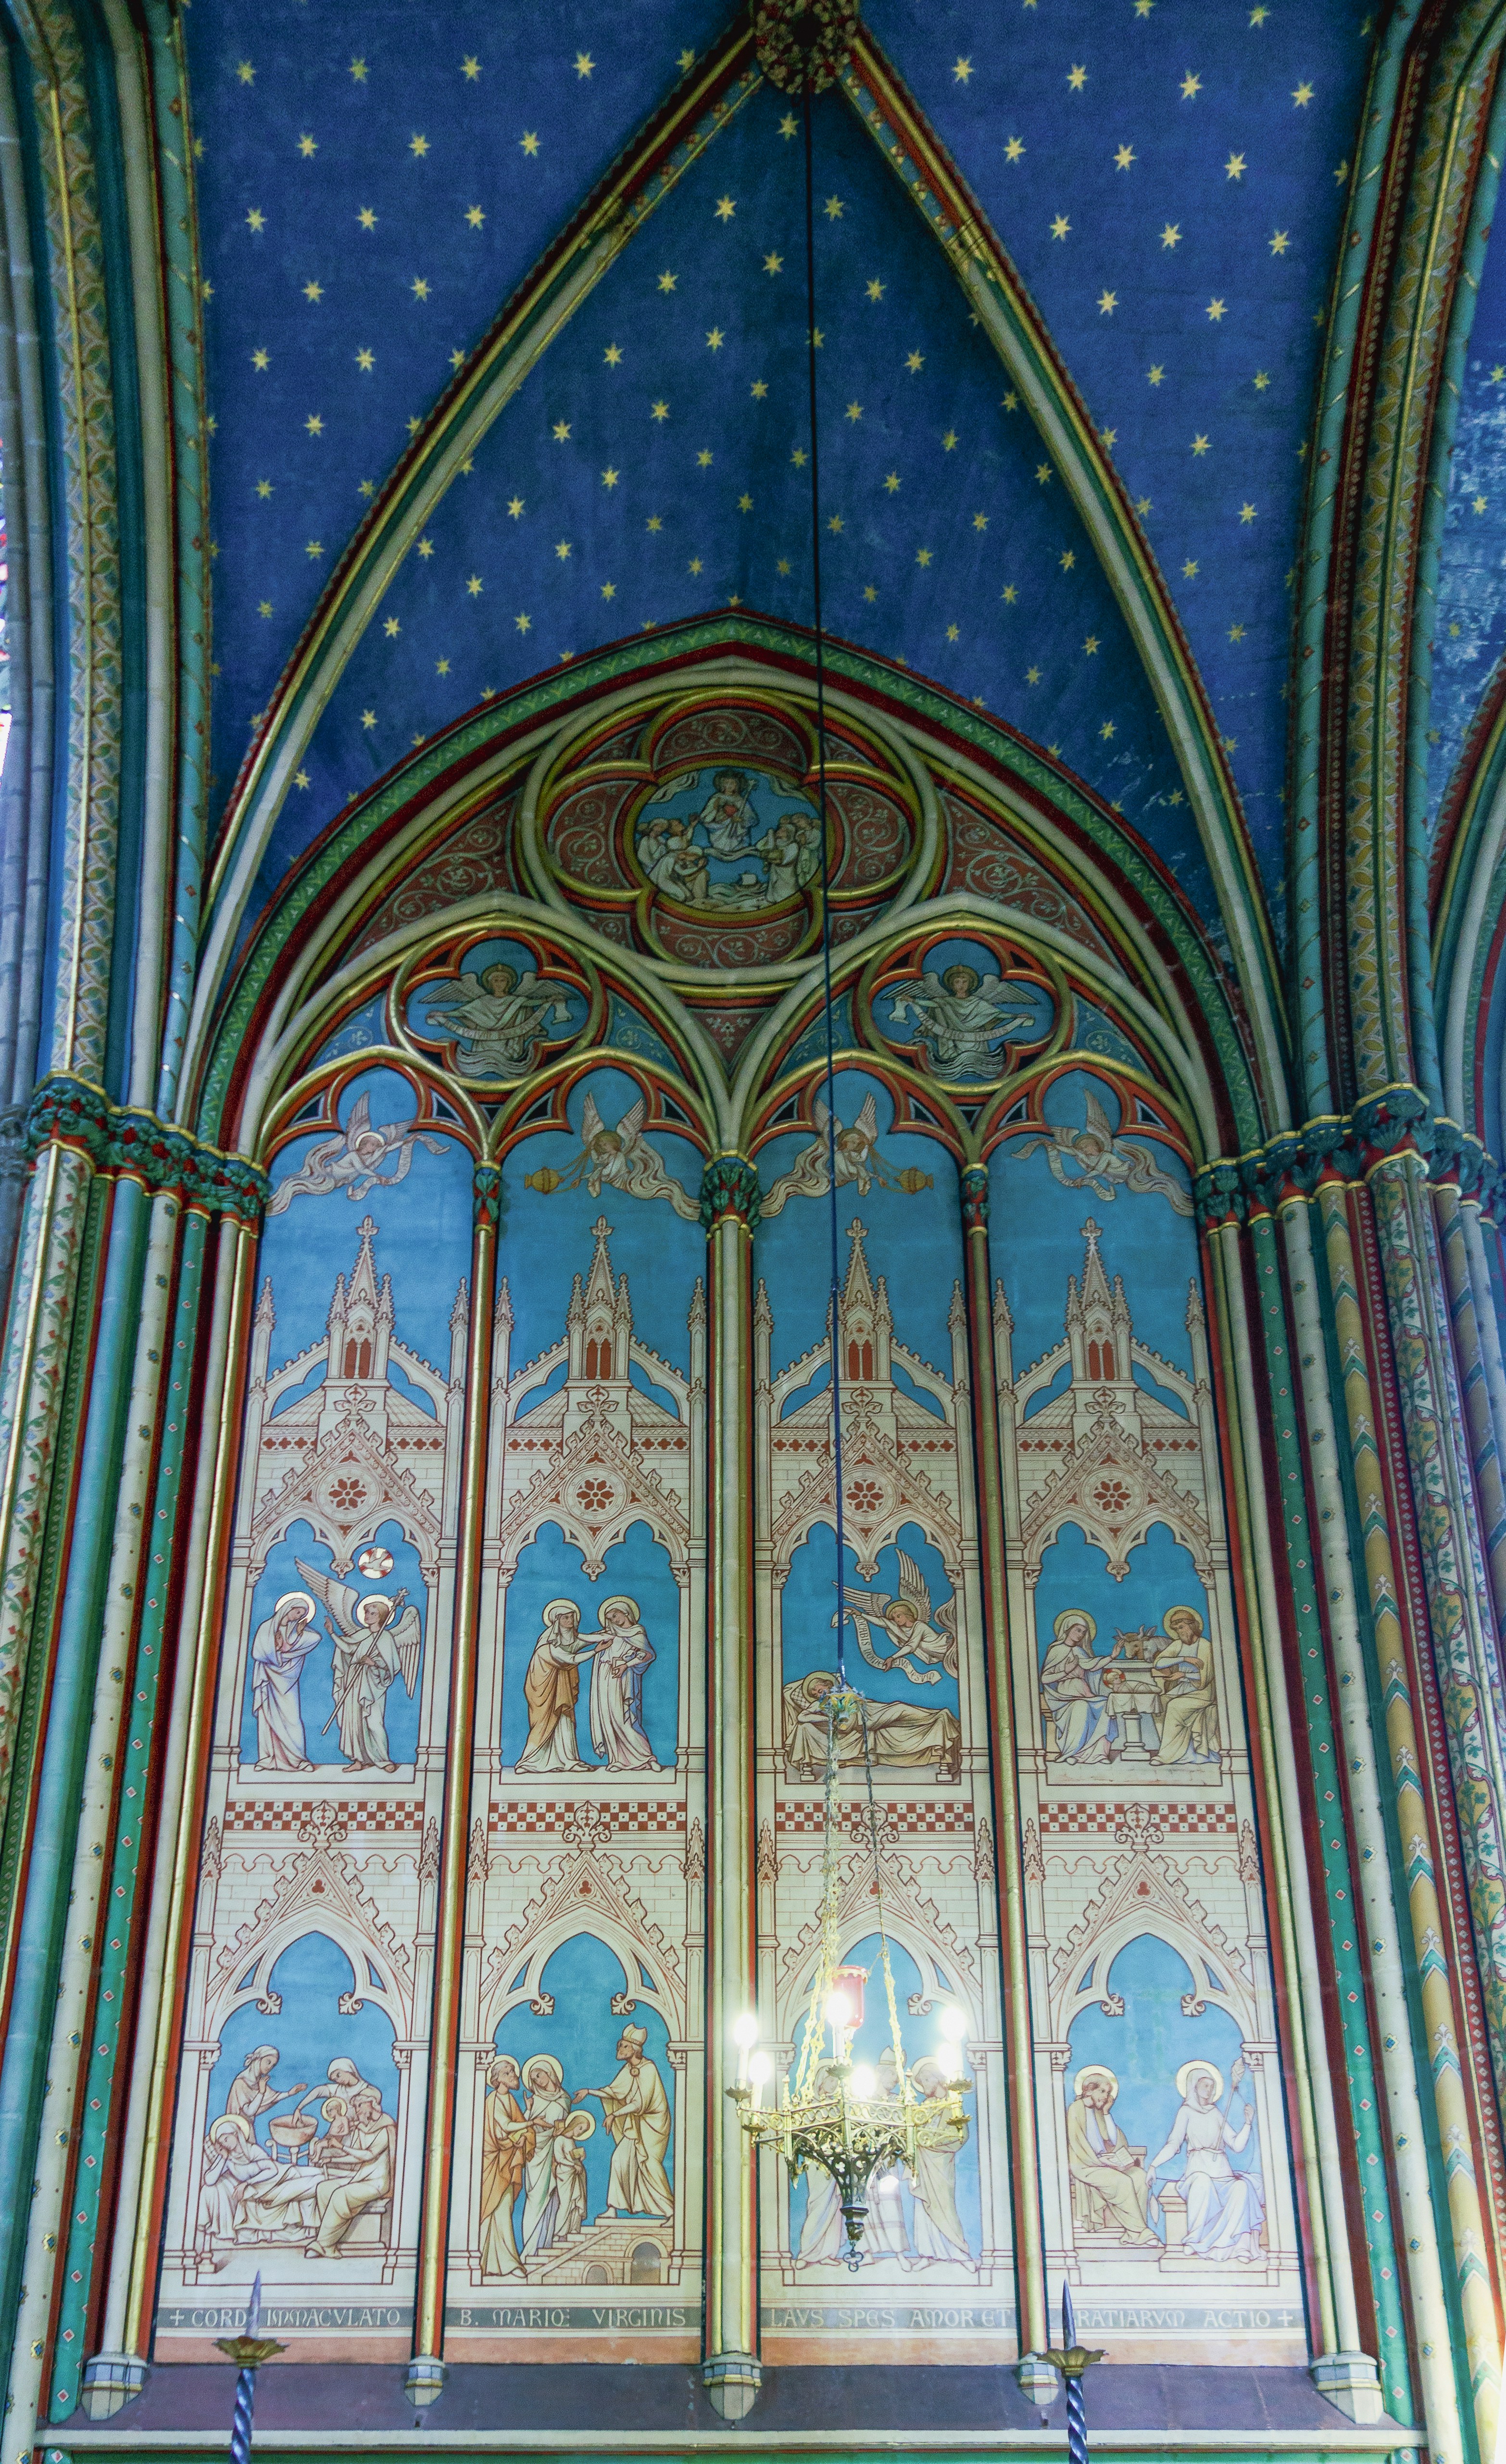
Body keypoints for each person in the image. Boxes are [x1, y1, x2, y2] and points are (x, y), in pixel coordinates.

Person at [1148, 2058, 1265, 2263]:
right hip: (1198, 2171)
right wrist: (1153, 2165)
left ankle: (1242, 2247)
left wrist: (1247, 2124)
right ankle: (1195, 2240)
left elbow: (1236, 2146)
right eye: (1206, 2086)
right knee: (1202, 2182)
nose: (1210, 2091)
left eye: (1213, 2086)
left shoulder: (1216, 2113)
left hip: (1223, 2174)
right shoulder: (1186, 2112)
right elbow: (1174, 2144)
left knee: (1242, 2188)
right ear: (1194, 2086)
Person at [782, 1670, 961, 1782]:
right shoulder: (822, 1704)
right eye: (815, 1693)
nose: (819, 1694)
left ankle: (937, 1717)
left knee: (900, 1708)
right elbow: (802, 1716)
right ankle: (938, 1717)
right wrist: (825, 1717)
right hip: (862, 1723)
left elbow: (858, 1703)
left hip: (871, 1712)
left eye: (820, 1689)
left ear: (828, 1684)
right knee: (899, 1709)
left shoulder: (845, 1693)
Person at [574, 2024, 673, 2218]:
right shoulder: (628, 2069)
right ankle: (613, 2208)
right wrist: (589, 2091)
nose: (619, 2049)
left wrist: (614, 2115)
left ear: (635, 2049)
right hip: (635, 2127)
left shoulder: (649, 2069)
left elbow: (640, 2104)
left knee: (651, 2165)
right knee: (619, 2159)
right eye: (620, 2045)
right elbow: (614, 2092)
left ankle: (670, 2211)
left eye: (624, 2046)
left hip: (652, 2127)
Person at [196, 2114, 319, 2261]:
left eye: (226, 2139)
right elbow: (209, 2180)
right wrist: (222, 2157)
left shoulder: (252, 2150)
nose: (225, 2144)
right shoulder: (229, 2160)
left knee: (317, 2175)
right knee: (318, 2181)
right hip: (265, 2187)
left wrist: (247, 2183)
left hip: (283, 2175)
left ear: (236, 2133)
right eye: (222, 2142)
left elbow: (272, 2170)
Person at [422, 961, 572, 1077]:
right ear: (490, 983)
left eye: (503, 981)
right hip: (483, 1044)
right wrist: (444, 1015)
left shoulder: (516, 1000)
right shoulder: (483, 1001)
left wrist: (548, 1000)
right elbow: (462, 1012)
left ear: (508, 983)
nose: (499, 984)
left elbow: (530, 1003)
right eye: (496, 981)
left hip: (508, 1045)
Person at [1065, 2065, 1159, 2246]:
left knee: (1140, 2177)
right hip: (1086, 2166)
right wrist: (1100, 2161)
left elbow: (1115, 2142)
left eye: (1108, 2093)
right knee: (1121, 2181)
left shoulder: (1100, 2112)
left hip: (1104, 2163)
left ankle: (1131, 2233)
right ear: (1089, 2090)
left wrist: (1107, 2113)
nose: (1106, 2097)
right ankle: (1141, 2232)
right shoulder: (1076, 2110)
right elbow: (1077, 2144)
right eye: (1102, 2091)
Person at [306, 2084, 396, 2258]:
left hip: (377, 2183)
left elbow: (368, 2155)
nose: (356, 2110)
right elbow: (355, 2158)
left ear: (372, 2103)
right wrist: (332, 2160)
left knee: (341, 2195)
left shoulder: (385, 2127)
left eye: (359, 2106)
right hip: (361, 2177)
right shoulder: (361, 2129)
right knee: (324, 2189)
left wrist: (341, 2148)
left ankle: (323, 2244)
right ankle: (333, 2241)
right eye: (355, 2107)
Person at [515, 1600, 600, 1773]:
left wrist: (614, 1634)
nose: (571, 1621)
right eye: (566, 1618)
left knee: (564, 1723)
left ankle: (568, 1760)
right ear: (556, 1621)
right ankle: (529, 1762)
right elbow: (570, 1659)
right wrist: (596, 1651)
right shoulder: (547, 1646)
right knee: (544, 1724)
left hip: (561, 1691)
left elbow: (587, 1639)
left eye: (572, 1617)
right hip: (544, 1694)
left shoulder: (567, 1642)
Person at [907, 2056, 973, 2266]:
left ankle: (959, 2252)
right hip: (923, 2166)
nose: (923, 2086)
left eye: (926, 2080)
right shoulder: (924, 2107)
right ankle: (927, 2254)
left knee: (946, 2208)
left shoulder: (952, 2104)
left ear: (937, 2079)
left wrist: (930, 2142)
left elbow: (960, 2136)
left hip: (941, 2166)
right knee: (923, 2207)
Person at [585, 1596, 661, 1772]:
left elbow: (648, 1655)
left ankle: (647, 1758)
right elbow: (587, 1640)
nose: (614, 1620)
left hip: (625, 1678)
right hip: (605, 1678)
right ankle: (617, 1760)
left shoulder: (637, 1632)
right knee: (608, 1718)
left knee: (626, 1719)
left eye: (616, 1615)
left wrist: (626, 1665)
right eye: (610, 1618)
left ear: (626, 1613)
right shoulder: (609, 1633)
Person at [249, 1592, 321, 1771]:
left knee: (292, 1718)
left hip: (287, 1682)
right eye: (297, 1612)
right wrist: (278, 1655)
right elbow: (258, 1652)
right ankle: (267, 1759)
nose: (299, 1617)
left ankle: (298, 1760)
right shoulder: (267, 1627)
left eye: (302, 1615)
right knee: (267, 1718)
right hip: (268, 1678)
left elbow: (315, 1639)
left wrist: (295, 1638)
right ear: (288, 1608)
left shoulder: (298, 1631)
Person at [478, 2053, 534, 2278]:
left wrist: (528, 2114)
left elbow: (517, 2128)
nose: (514, 2076)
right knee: (496, 2210)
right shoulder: (493, 2100)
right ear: (499, 2078)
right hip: (494, 2162)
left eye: (513, 2072)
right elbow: (504, 2127)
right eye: (509, 2073)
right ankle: (507, 2263)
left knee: (504, 2209)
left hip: (508, 2160)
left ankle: (495, 2263)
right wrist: (530, 2124)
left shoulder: (510, 2099)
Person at [1040, 1611, 1115, 1764]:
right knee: (1081, 1707)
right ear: (1067, 1629)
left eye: (1084, 1632)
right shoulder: (1057, 1650)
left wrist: (1112, 1657)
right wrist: (1066, 1671)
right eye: (1078, 1630)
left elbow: (1092, 1666)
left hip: (1084, 1693)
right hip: (1064, 1697)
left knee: (1107, 1705)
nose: (1081, 1635)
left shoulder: (1079, 1651)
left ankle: (1098, 1754)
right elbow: (1045, 1678)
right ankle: (1072, 1753)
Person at [518, 2053, 572, 2258]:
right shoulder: (536, 2100)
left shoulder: (565, 2099)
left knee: (553, 2198)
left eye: (539, 2075)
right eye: (534, 2079)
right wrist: (529, 2110)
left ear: (550, 2073)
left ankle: (545, 2245)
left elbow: (561, 2127)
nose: (537, 2081)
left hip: (553, 2154)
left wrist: (550, 2128)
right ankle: (529, 2248)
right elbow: (526, 2127)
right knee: (534, 2199)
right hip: (536, 2156)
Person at [1153, 1606, 1219, 1767]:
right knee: (1158, 1705)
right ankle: (1183, 1751)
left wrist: (1184, 1675)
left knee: (1175, 1706)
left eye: (1182, 1628)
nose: (1180, 1632)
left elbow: (1207, 1676)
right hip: (1182, 1689)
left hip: (1202, 1692)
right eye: (1177, 1630)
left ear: (1192, 1626)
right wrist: (1184, 1658)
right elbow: (1159, 1662)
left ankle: (1167, 1756)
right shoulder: (1178, 1645)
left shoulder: (1205, 1645)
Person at [224, 2045, 308, 2133]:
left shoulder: (259, 2081)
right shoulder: (241, 2083)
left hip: (248, 2128)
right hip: (237, 2131)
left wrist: (289, 2093)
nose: (270, 2067)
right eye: (268, 2062)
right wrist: (261, 2092)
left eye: (273, 2065)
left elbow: (273, 2097)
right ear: (259, 2059)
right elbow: (249, 2112)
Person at [553, 2111, 593, 2240]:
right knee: (565, 2204)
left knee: (575, 2204)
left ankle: (574, 2229)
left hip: (575, 2175)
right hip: (564, 2175)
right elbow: (560, 2159)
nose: (581, 2132)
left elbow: (572, 2158)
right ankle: (559, 2233)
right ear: (574, 2124)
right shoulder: (560, 2139)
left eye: (584, 2131)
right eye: (580, 2128)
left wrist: (580, 2159)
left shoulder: (571, 2141)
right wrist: (574, 2165)